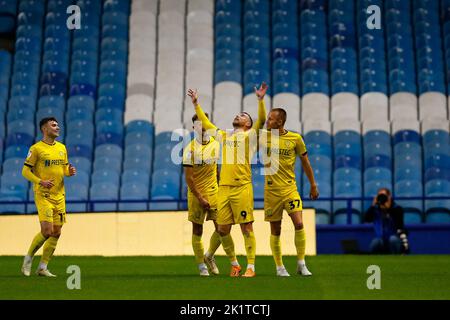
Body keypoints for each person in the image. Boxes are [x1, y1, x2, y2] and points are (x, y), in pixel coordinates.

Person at [187, 83, 267, 277]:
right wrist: (196, 104)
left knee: (246, 227)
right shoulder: (223, 136)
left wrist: (260, 100)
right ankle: (231, 263)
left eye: (243, 116)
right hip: (223, 188)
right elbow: (206, 124)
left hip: (241, 187)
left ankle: (250, 267)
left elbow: (262, 120)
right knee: (222, 229)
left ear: (248, 124)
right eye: (238, 114)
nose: (238, 116)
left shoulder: (250, 136)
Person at [262, 108, 319, 277]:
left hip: (289, 189)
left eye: (270, 119)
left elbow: (306, 162)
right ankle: (280, 267)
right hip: (271, 192)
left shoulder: (295, 138)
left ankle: (301, 263)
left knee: (299, 224)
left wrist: (313, 184)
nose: (267, 121)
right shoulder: (263, 137)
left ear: (280, 122)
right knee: (276, 230)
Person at [21, 117, 76, 277]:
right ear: (44, 129)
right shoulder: (36, 149)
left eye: (58, 125)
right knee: (46, 231)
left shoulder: (62, 148)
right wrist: (40, 181)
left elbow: (64, 168)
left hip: (59, 195)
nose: (57, 127)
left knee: (57, 232)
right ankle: (28, 258)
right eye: (53, 125)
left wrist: (69, 172)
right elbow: (25, 171)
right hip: (43, 194)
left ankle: (42, 267)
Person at [182, 112, 222, 276]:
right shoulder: (189, 149)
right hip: (196, 194)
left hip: (214, 192)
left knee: (222, 229)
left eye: (204, 123)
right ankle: (201, 266)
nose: (202, 126)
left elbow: (217, 170)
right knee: (198, 230)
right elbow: (189, 179)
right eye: (198, 124)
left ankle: (209, 256)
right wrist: (200, 197)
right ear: (194, 127)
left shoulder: (216, 144)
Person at [364, 188, 409, 254]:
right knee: (375, 242)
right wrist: (372, 206)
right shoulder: (375, 210)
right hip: (380, 238)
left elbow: (400, 225)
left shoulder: (397, 209)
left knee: (393, 239)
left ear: (389, 196)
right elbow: (366, 219)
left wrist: (388, 209)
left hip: (394, 237)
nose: (382, 198)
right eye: (380, 196)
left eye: (384, 196)